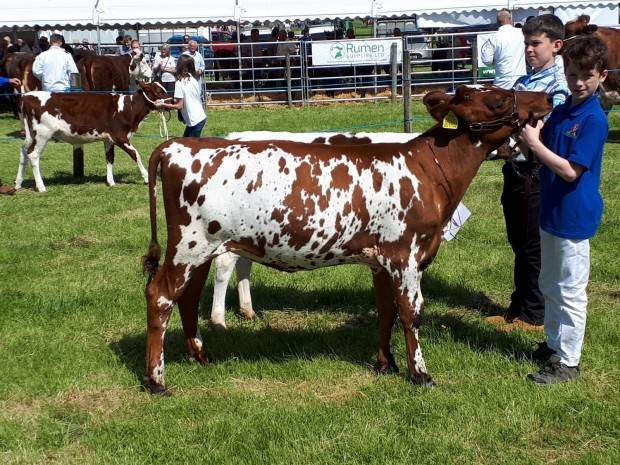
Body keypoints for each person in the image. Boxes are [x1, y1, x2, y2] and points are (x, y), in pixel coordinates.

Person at [519, 35, 609, 384]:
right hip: (551, 209)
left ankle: (569, 362)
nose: (579, 82)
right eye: (572, 75)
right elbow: (540, 145)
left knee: (570, 289)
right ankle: (554, 344)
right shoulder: (563, 111)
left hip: (573, 214)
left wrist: (534, 145)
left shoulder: (593, 119)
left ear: (601, 75)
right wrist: (531, 139)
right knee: (549, 282)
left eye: (587, 75)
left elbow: (571, 170)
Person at [486, 14, 570, 331]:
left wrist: (516, 140)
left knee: (532, 244)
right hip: (516, 169)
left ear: (557, 45)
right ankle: (518, 305)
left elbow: (542, 133)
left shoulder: (557, 87)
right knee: (518, 241)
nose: (529, 50)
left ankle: (534, 313)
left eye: (536, 44)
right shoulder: (524, 82)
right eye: (526, 44)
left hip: (535, 172)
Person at [155, 54, 207, 137]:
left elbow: (179, 106)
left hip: (195, 121)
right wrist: (164, 100)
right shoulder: (192, 79)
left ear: (180, 66)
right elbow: (180, 99)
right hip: (200, 118)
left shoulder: (179, 83)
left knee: (189, 147)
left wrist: (163, 104)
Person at [481, 9, 526, 89]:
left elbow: (487, 60)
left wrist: (496, 61)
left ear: (498, 22)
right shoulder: (522, 33)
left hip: (501, 81)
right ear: (510, 19)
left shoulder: (493, 38)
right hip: (520, 79)